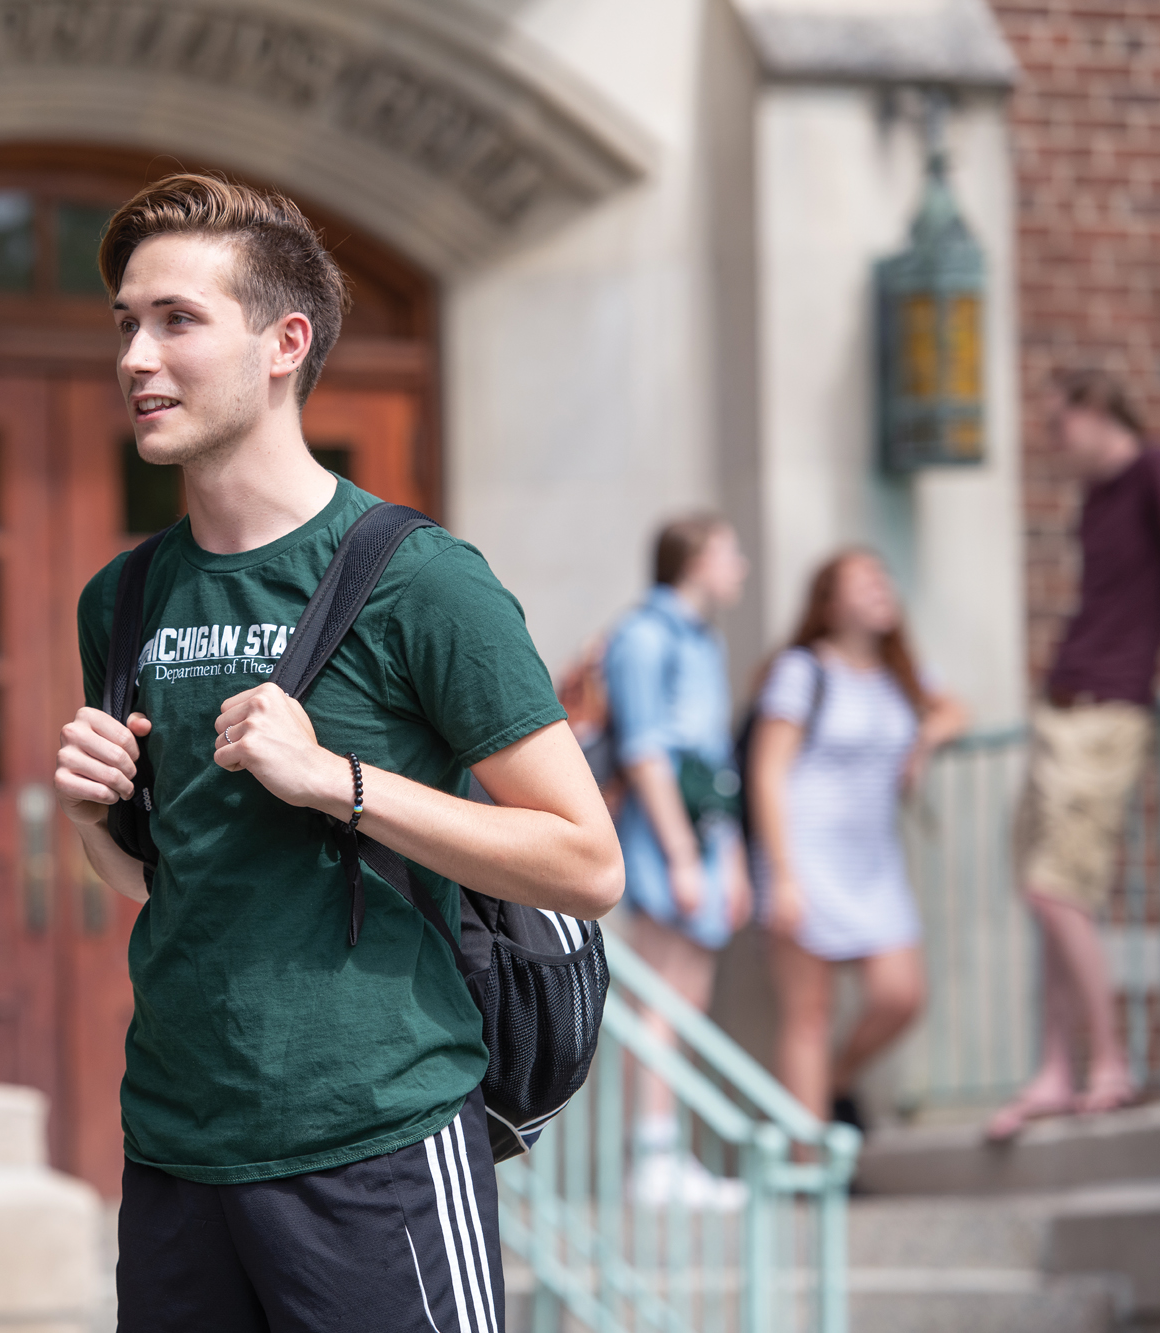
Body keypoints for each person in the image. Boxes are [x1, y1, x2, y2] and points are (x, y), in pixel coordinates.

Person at [53, 174, 624, 1333]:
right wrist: (87, 816)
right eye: (126, 323)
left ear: (283, 343)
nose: (135, 357)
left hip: (377, 1142)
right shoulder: (120, 600)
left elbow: (585, 862)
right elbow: (166, 879)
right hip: (175, 1150)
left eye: (176, 320)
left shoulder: (420, 581)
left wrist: (337, 783)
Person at [988, 369, 1160, 1140]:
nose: (1053, 443)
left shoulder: (1155, 470)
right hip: (1063, 703)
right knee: (1044, 889)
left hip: (1109, 712)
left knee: (1056, 889)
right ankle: (1053, 1068)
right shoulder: (1097, 497)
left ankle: (1110, 1062)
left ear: (1097, 410)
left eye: (1058, 425)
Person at [747, 549, 967, 1132]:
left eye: (884, 577)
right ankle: (809, 1165)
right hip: (805, 858)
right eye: (864, 581)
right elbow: (768, 772)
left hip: (873, 865)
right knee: (809, 1014)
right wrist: (784, 874)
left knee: (902, 996)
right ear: (830, 601)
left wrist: (925, 740)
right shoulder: (803, 670)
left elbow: (955, 710)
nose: (880, 589)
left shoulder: (901, 672)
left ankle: (835, 1082)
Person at [602, 514, 752, 1207]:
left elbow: (714, 762)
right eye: (728, 551)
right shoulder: (644, 637)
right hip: (668, 833)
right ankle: (652, 1153)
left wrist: (733, 859)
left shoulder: (703, 641)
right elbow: (645, 751)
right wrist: (684, 854)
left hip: (705, 825)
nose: (740, 565)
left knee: (687, 996)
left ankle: (669, 1149)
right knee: (661, 992)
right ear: (693, 559)